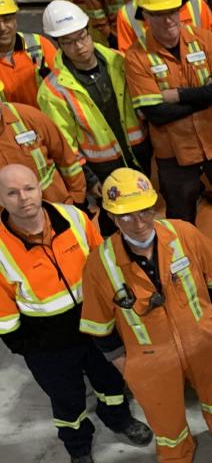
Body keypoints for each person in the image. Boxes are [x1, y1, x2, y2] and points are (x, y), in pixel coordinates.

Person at [79, 167, 212, 463]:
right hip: (148, 358)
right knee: (164, 417)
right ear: (111, 217)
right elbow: (100, 325)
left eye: (144, 212)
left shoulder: (184, 234)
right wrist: (123, 362)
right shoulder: (100, 264)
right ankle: (176, 454)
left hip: (205, 340)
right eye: (125, 216)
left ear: (154, 208)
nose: (138, 223)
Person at [0, 164, 151, 463]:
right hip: (46, 343)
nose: (24, 198)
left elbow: (104, 264)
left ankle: (119, 419)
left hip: (95, 325)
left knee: (110, 381)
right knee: (66, 400)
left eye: (29, 188)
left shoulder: (74, 218)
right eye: (12, 193)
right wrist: (24, 344)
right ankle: (78, 447)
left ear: (40, 186)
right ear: (1, 199)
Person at [38, 0, 151, 235]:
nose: (78, 46)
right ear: (58, 44)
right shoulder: (54, 90)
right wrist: (89, 180)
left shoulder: (119, 61)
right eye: (68, 42)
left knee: (142, 208)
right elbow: (64, 145)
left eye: (81, 37)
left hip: (138, 152)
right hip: (102, 166)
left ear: (89, 32)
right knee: (114, 219)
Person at [124, 0, 212, 223]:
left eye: (173, 11)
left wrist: (179, 95)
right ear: (145, 16)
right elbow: (156, 114)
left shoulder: (203, 38)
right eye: (159, 14)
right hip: (174, 153)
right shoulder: (136, 56)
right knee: (180, 220)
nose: (168, 20)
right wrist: (208, 96)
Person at [0, 83, 87, 206]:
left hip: (57, 208)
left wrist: (77, 198)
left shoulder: (29, 117)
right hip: (10, 221)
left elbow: (66, 158)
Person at [0, 0, 57, 106]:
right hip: (10, 122)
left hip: (48, 119)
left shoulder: (39, 44)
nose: (2, 28)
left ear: (15, 20)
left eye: (7, 19)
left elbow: (63, 85)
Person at [113, 0, 212, 51]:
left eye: (172, 11)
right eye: (157, 15)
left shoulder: (196, 4)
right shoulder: (127, 15)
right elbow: (128, 61)